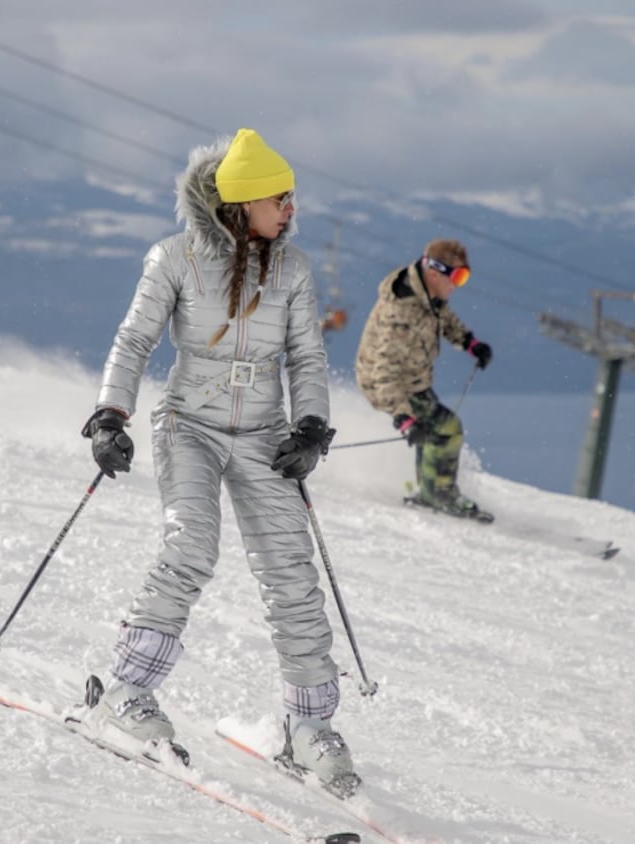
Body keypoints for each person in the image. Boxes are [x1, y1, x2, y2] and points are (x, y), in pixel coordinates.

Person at [80, 128, 358, 794]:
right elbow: (134, 340)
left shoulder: (291, 270)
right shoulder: (173, 258)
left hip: (263, 431)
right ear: (240, 203)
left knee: (291, 567)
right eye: (278, 198)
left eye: (290, 196)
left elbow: (305, 356)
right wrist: (109, 415)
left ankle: (307, 726)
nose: (290, 209)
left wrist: (311, 425)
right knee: (191, 544)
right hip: (189, 425)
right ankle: (127, 690)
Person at [355, 239, 492, 517]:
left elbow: (442, 316)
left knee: (434, 427)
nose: (457, 285)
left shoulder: (426, 293)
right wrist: (402, 417)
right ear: (434, 272)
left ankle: (429, 488)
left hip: (411, 378)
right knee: (447, 427)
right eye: (456, 277)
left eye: (463, 277)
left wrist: (468, 342)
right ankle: (437, 495)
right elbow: (385, 369)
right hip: (389, 384)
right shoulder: (402, 314)